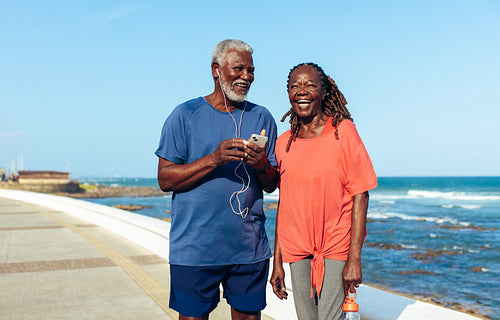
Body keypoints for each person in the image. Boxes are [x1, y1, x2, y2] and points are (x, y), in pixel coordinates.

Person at [155, 39, 279, 320]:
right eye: (239, 69)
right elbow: (165, 179)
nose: (246, 77)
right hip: (195, 249)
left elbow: (270, 184)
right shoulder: (184, 115)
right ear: (216, 69)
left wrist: (260, 165)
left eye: (251, 70)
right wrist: (214, 159)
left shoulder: (262, 117)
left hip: (249, 249)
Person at [270, 63, 377, 320]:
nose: (301, 91)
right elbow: (286, 204)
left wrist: (354, 259)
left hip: (336, 244)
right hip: (298, 248)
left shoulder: (344, 132)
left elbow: (361, 194)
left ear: (324, 91)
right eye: (294, 85)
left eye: (310, 84)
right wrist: (277, 263)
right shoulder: (284, 143)